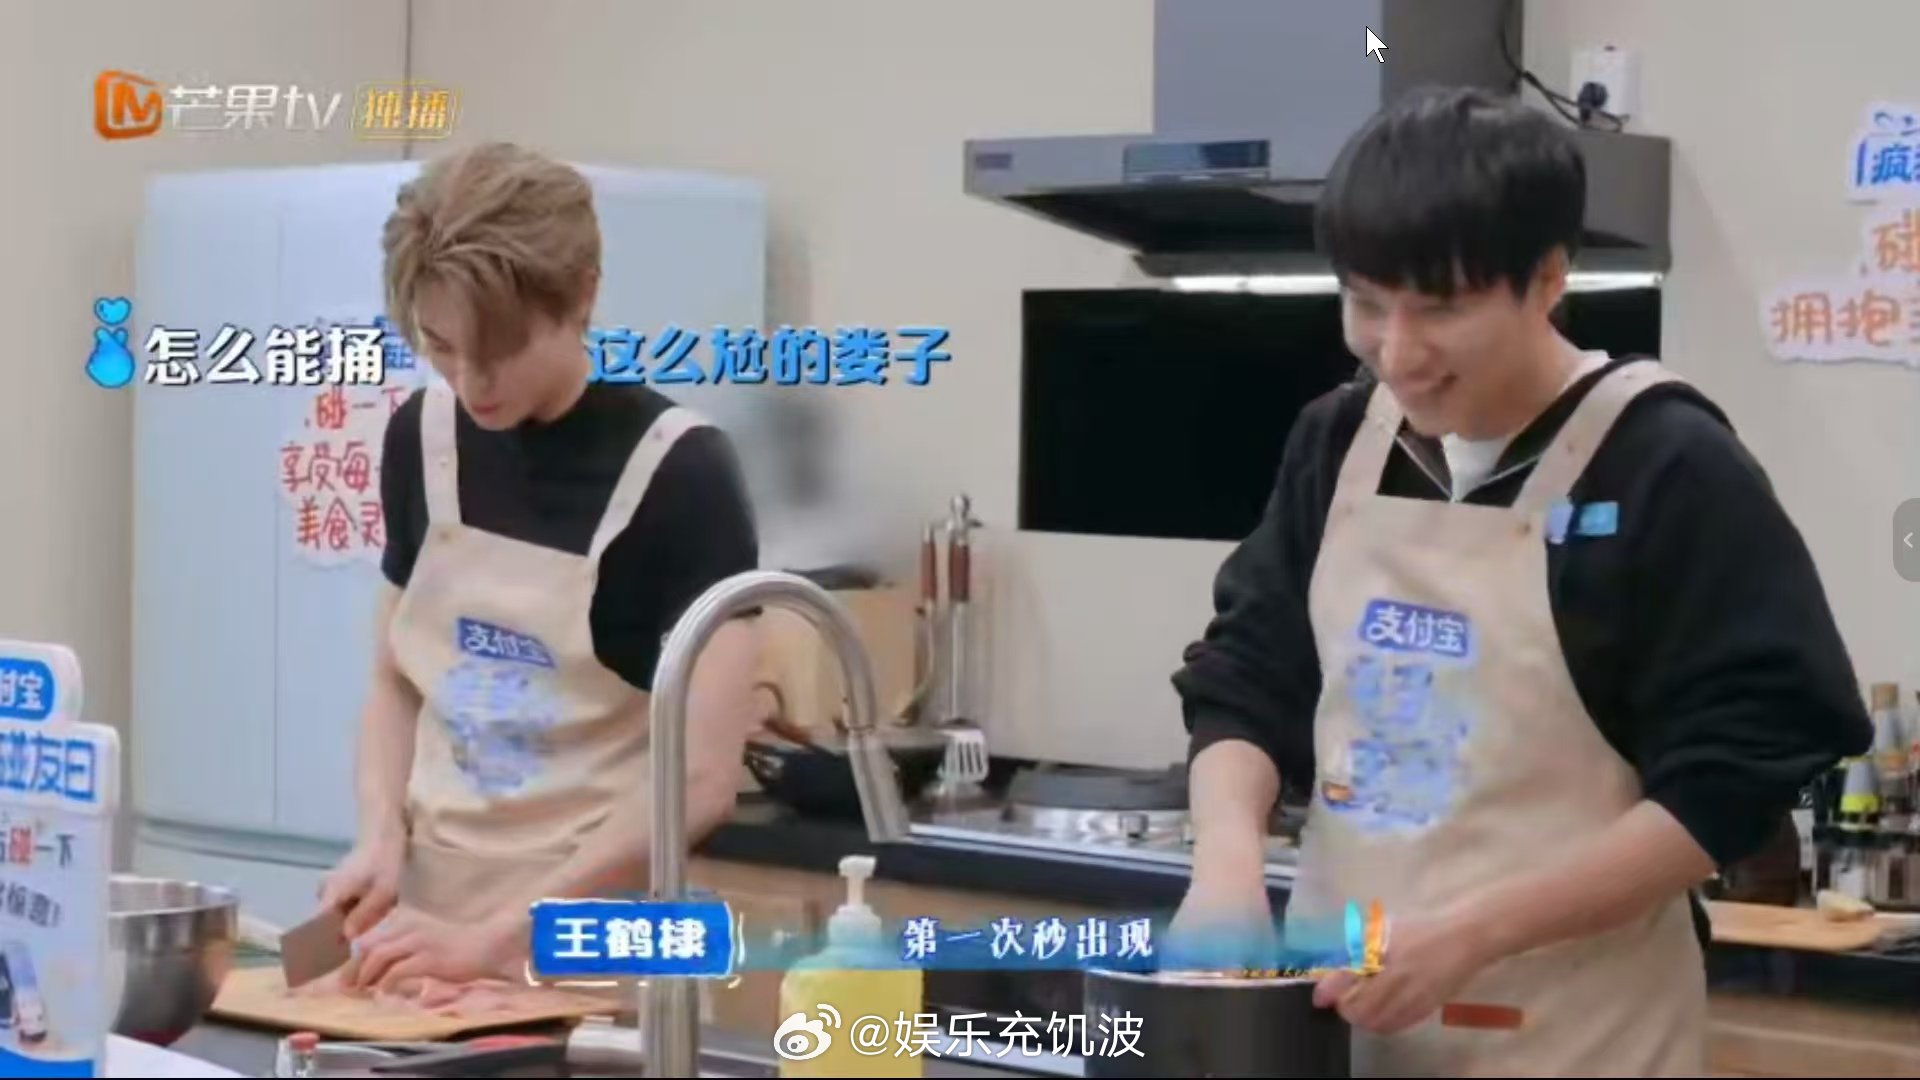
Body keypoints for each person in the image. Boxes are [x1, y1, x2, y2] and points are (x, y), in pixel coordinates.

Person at [1170, 88, 1873, 1076]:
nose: (1397, 353)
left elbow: (1741, 770)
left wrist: (1473, 933)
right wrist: (1226, 871)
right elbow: (1249, 675)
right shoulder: (1339, 444)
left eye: (1441, 309)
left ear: (1547, 279)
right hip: (1347, 1035)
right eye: (1366, 304)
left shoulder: (1665, 464)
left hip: (1578, 1042)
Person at [316, 142, 765, 988]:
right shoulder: (423, 439)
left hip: (597, 934)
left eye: (501, 348)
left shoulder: (681, 472)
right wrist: (380, 834)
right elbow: (397, 678)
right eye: (441, 345)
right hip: (433, 923)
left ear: (582, 294)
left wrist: (498, 938)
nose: (471, 381)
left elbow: (702, 781)